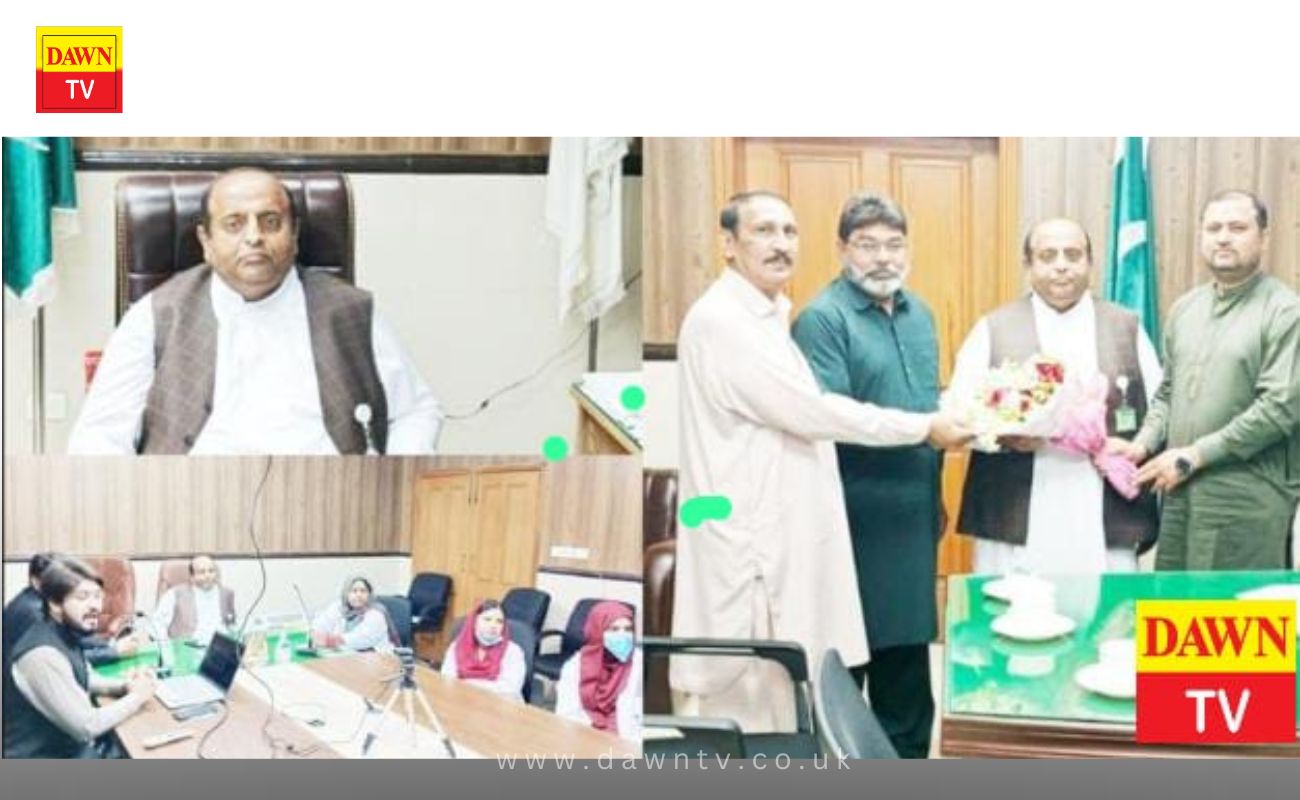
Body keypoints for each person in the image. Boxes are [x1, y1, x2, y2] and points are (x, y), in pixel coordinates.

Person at [670, 190, 971, 732]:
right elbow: (815, 412)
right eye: (764, 231)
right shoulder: (724, 321)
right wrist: (925, 427)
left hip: (814, 526)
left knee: (795, 693)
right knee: (760, 706)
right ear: (729, 244)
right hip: (754, 539)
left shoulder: (767, 314)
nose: (780, 244)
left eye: (789, 231)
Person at [67, 167, 441, 455]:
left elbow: (416, 411)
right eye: (234, 224)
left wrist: (390, 486)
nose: (254, 237)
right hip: (191, 511)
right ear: (206, 241)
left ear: (294, 235)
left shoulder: (351, 312)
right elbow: (99, 435)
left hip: (328, 507)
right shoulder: (155, 316)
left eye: (270, 222)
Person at [790, 192, 944, 758]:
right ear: (842, 250)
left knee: (908, 667)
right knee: (849, 663)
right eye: (867, 245)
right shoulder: (822, 319)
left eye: (894, 244)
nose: (883, 258)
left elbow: (926, 405)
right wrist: (930, 429)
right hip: (854, 519)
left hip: (913, 514)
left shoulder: (921, 313)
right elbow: (831, 420)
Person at [951, 218, 1162, 575]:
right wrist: (1004, 436)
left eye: (1072, 255)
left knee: (1108, 606)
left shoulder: (1126, 327)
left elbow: (1161, 408)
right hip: (1015, 510)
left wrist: (1137, 447)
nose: (1061, 265)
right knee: (1010, 605)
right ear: (1028, 264)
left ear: (1089, 262)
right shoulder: (993, 328)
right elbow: (959, 415)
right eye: (1048, 256)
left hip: (1104, 509)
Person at [1113, 191, 1299, 570]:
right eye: (1214, 228)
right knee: (1176, 600)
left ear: (1263, 237)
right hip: (1180, 491)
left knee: (1232, 606)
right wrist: (1142, 444)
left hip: (1245, 497)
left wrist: (1196, 454)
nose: (1223, 238)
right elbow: (1168, 393)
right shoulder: (1186, 308)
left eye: (1237, 228)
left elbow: (1279, 410)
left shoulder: (1285, 311)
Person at [3, 558, 156, 759]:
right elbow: (86, 727)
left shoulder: (63, 630)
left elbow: (82, 676)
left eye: (97, 596)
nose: (95, 606)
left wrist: (124, 686)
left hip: (66, 748)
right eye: (82, 597)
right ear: (55, 603)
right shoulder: (41, 654)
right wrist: (137, 697)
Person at [2, 553, 140, 669]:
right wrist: (115, 652)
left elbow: (74, 638)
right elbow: (64, 658)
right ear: (35, 581)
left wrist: (109, 644)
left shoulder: (39, 599)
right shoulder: (35, 612)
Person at [554, 600, 640, 741]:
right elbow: (566, 714)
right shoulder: (576, 666)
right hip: (585, 734)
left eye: (628, 629)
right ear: (597, 631)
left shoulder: (639, 663)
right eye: (614, 629)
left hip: (627, 738)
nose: (623, 635)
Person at [439, 600, 527, 702]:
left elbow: (510, 689)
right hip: (462, 700)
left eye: (499, 621)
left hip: (500, 705)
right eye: (487, 619)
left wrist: (466, 683)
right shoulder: (457, 646)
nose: (493, 625)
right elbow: (447, 679)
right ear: (474, 622)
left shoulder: (513, 651)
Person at [152, 554, 236, 643]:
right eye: (202, 572)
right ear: (192, 577)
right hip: (187, 646)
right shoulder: (175, 594)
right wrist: (166, 646)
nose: (207, 575)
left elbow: (231, 624)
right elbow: (157, 625)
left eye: (211, 571)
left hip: (220, 646)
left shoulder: (227, 594)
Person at [310, 576, 396, 651]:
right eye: (354, 591)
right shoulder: (339, 607)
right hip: (347, 656)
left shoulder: (376, 614)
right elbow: (323, 622)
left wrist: (333, 640)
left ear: (369, 594)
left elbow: (361, 638)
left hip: (377, 657)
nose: (359, 595)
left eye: (363, 591)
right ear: (346, 594)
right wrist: (316, 633)